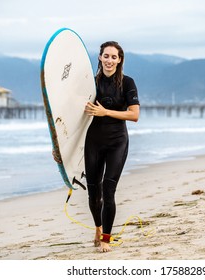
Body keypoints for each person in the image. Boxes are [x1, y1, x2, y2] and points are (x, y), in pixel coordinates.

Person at [55, 41, 139, 253]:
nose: (109, 60)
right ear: (100, 58)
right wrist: (60, 148)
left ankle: (106, 240)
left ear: (119, 60)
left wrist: (106, 112)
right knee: (94, 193)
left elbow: (134, 114)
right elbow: (72, 119)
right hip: (93, 142)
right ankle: (98, 228)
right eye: (106, 56)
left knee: (109, 191)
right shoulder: (90, 86)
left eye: (114, 57)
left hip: (117, 142)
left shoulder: (127, 83)